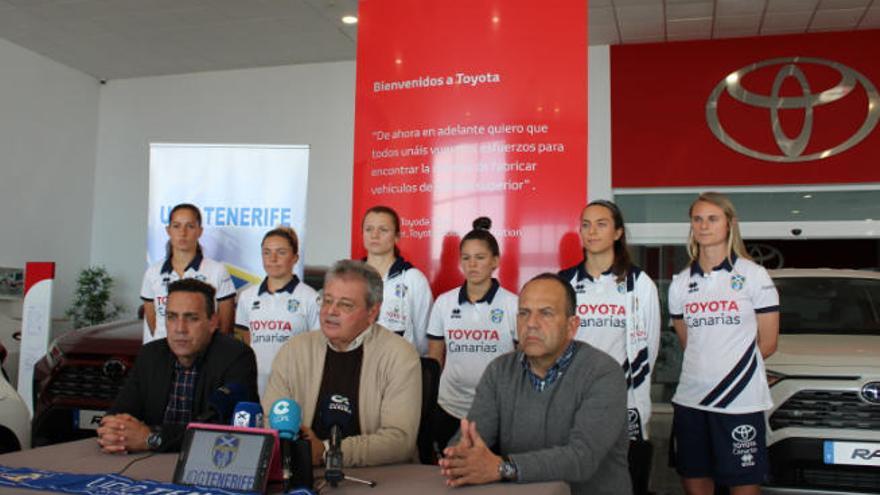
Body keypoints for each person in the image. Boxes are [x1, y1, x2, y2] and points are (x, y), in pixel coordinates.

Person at [439, 273, 631, 495]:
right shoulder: (499, 371)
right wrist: (461, 455)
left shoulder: (603, 373)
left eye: (546, 313)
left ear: (572, 326)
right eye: (524, 313)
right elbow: (473, 435)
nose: (531, 324)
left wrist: (502, 468)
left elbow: (581, 458)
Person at [668, 192, 779, 495]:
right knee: (694, 476)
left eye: (712, 219)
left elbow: (768, 343)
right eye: (697, 219)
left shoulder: (754, 275)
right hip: (691, 399)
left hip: (740, 402)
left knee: (743, 483)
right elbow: (688, 341)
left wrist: (728, 374)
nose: (704, 226)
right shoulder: (680, 283)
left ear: (729, 224)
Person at [262, 260, 421, 467]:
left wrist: (328, 451)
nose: (331, 311)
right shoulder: (293, 351)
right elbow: (269, 420)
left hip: (377, 475)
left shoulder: (400, 356)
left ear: (372, 312)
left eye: (345, 305)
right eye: (327, 300)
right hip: (300, 470)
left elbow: (399, 441)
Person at [558, 200, 660, 494]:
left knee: (623, 481)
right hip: (573, 400)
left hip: (623, 400)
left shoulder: (640, 284)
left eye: (601, 224)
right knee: (575, 481)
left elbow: (648, 349)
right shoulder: (564, 282)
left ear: (617, 233)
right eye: (586, 225)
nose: (592, 232)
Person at [97, 279, 258, 454]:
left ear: (212, 322)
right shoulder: (150, 355)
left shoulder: (236, 357)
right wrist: (112, 431)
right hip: (147, 465)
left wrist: (152, 438)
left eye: (192, 318)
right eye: (172, 317)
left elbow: (229, 431)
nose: (180, 328)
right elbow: (118, 412)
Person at [426, 217, 518, 452]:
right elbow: (435, 359)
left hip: (497, 409)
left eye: (480, 258)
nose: (472, 265)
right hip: (449, 407)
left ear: (495, 261)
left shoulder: (513, 304)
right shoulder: (444, 303)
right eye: (466, 258)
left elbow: (522, 361)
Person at [235, 226, 319, 395]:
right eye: (267, 252)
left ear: (295, 257)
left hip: (295, 385)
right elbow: (243, 344)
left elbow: (318, 348)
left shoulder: (310, 297)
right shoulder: (247, 296)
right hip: (255, 384)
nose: (273, 259)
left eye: (281, 252)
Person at [140, 203, 235, 343]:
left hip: (203, 354)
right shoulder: (153, 272)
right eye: (176, 226)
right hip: (162, 353)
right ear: (168, 230)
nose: (183, 233)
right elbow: (153, 324)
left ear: (199, 231)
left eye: (190, 226)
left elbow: (225, 325)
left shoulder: (217, 271)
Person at [361, 205, 433, 355]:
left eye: (383, 230)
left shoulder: (414, 279)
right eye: (369, 229)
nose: (375, 235)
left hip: (400, 369)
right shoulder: (350, 276)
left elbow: (423, 341)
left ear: (397, 237)